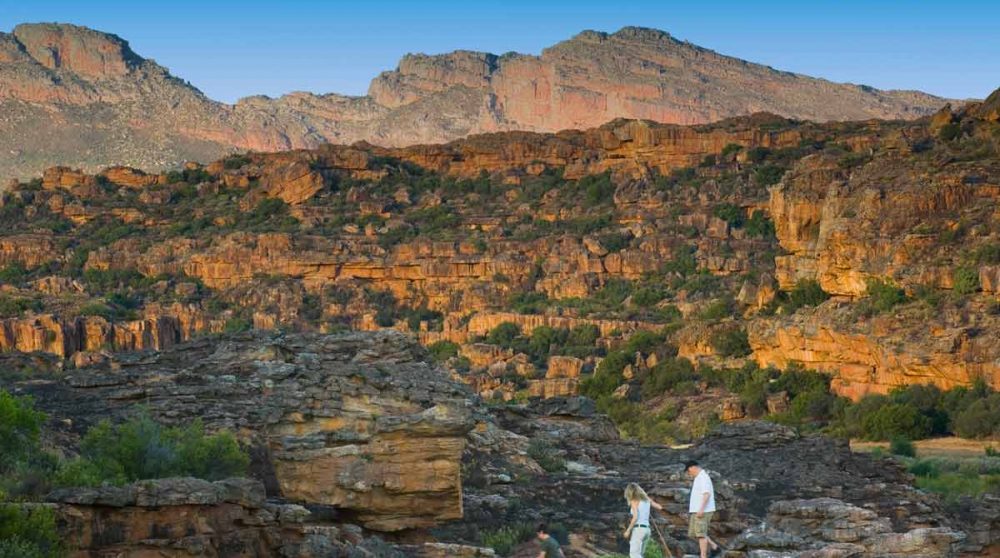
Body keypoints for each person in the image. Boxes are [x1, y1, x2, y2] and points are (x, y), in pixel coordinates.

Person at [685, 460, 721, 558]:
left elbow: (707, 494)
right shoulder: (698, 477)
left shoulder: (703, 477)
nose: (689, 473)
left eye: (688, 470)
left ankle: (703, 556)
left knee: (701, 534)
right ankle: (714, 547)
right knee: (694, 533)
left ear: (693, 467)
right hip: (696, 510)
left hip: (703, 510)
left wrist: (701, 509)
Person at [622, 483, 664, 558]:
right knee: (640, 554)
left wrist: (628, 530)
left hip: (639, 529)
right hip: (647, 530)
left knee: (634, 554)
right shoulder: (647, 499)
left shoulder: (634, 501)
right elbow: (659, 507)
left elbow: (635, 517)